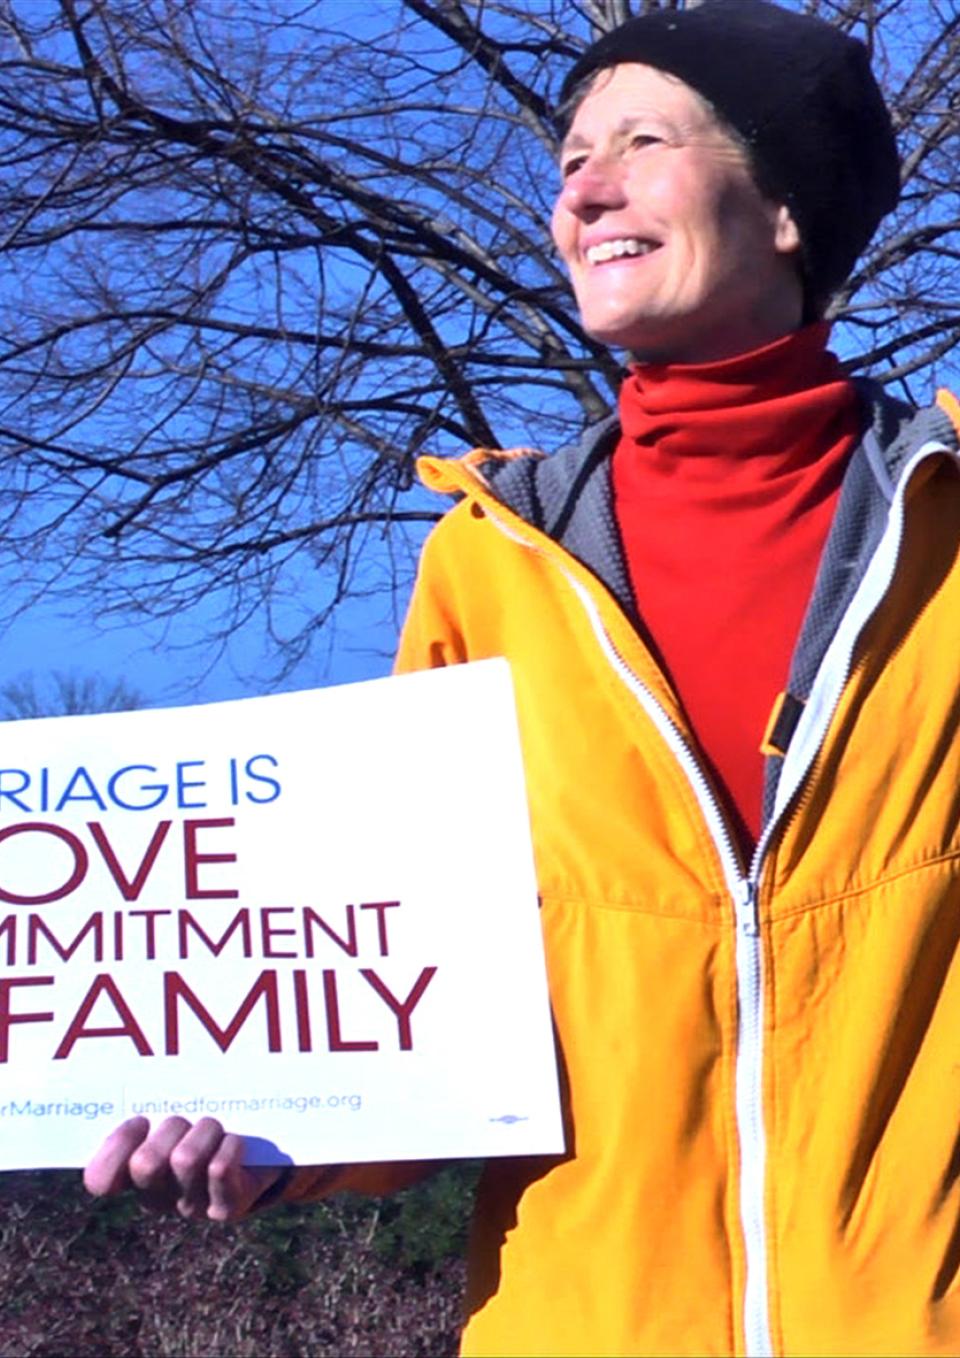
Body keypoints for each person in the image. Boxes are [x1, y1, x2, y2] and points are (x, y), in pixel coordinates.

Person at [85, 1, 960, 1353]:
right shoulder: (486, 568)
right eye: (567, 162)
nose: (581, 189)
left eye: (640, 142)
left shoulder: (949, 525)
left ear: (787, 207)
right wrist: (266, 1129)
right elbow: (407, 992)